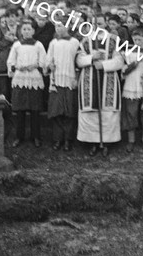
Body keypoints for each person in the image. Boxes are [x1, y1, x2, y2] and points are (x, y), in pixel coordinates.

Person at [76, 27, 124, 157]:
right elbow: (79, 60)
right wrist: (92, 58)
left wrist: (103, 65)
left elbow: (120, 61)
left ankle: (106, 143)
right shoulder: (85, 41)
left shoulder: (114, 41)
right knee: (91, 112)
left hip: (109, 80)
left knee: (108, 112)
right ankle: (93, 143)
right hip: (89, 80)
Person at [8, 18, 47, 148]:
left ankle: (35, 136)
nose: (26, 31)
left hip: (34, 77)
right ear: (21, 31)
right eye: (24, 29)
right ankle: (19, 136)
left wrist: (35, 65)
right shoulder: (17, 45)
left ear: (33, 31)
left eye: (29, 29)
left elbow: (43, 61)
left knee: (35, 110)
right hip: (20, 78)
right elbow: (10, 61)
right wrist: (17, 67)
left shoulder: (38, 45)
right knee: (20, 110)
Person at [46, 19, 80, 151]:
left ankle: (68, 140)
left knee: (69, 112)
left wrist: (76, 78)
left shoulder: (74, 42)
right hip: (56, 81)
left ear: (68, 26)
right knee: (56, 111)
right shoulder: (53, 43)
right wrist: (50, 65)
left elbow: (77, 61)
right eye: (56, 26)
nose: (57, 29)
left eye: (60, 26)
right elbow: (48, 58)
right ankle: (57, 139)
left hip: (69, 80)